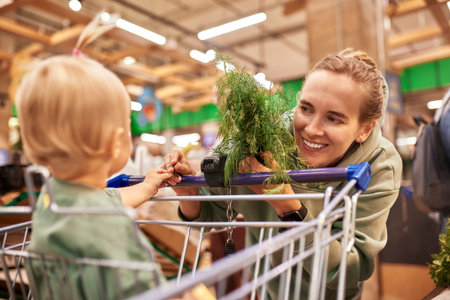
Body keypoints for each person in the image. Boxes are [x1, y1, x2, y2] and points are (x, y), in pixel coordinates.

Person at [163, 48, 402, 299]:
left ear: (365, 129)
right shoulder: (263, 139)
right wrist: (187, 188)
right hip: (268, 290)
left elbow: (349, 269)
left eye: (333, 119)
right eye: (306, 108)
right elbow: (211, 212)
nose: (311, 129)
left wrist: (287, 204)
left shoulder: (379, 163)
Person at [16, 53, 174, 299]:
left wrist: (147, 187)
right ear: (113, 143)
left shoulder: (53, 199)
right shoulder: (111, 227)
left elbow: (104, 198)